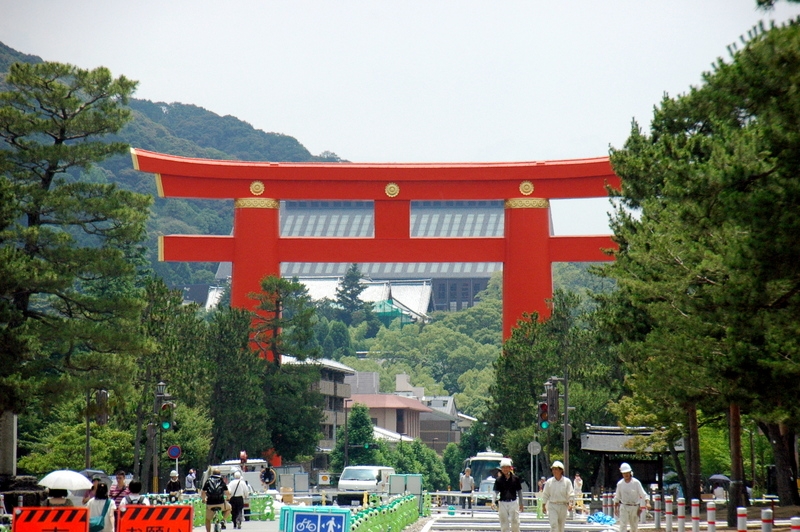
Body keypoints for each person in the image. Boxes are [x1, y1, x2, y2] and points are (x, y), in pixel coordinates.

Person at [540, 460, 575, 532]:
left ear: (561, 470)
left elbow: (570, 494)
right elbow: (545, 494)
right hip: (552, 505)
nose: (554, 471)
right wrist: (543, 505)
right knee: (554, 525)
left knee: (560, 527)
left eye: (556, 469)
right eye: (553, 469)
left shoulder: (567, 481)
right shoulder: (549, 482)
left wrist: (570, 504)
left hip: (563, 506)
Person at [491, 458, 523, 532]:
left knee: (515, 522)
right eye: (503, 467)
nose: (505, 469)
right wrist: (493, 501)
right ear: (501, 469)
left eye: (506, 467)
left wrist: (521, 503)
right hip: (502, 503)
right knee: (504, 523)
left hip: (513, 502)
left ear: (510, 468)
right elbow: (495, 491)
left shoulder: (515, 479)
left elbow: (519, 492)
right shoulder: (498, 480)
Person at [613, 463, 648, 532]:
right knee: (623, 525)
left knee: (634, 526)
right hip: (624, 506)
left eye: (627, 473)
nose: (626, 475)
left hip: (634, 507)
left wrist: (647, 502)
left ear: (630, 472)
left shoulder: (636, 482)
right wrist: (615, 508)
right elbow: (617, 497)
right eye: (624, 473)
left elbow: (643, 494)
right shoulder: (620, 484)